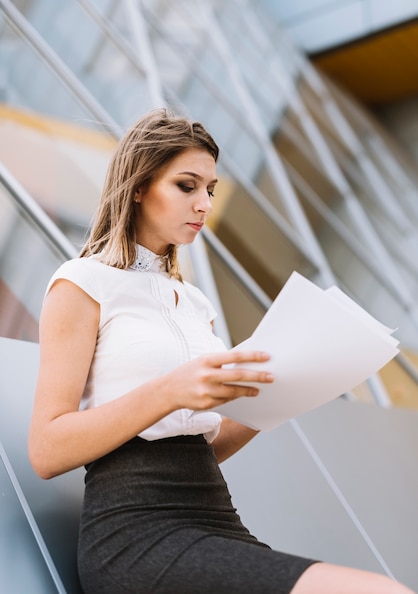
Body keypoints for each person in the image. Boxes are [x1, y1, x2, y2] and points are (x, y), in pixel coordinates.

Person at [29, 109, 415, 594]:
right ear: (139, 186)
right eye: (187, 186)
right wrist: (170, 390)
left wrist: (283, 394)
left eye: (210, 189)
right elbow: (46, 449)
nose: (204, 204)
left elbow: (201, 446)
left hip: (214, 515)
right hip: (136, 532)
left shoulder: (195, 303)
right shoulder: (81, 283)